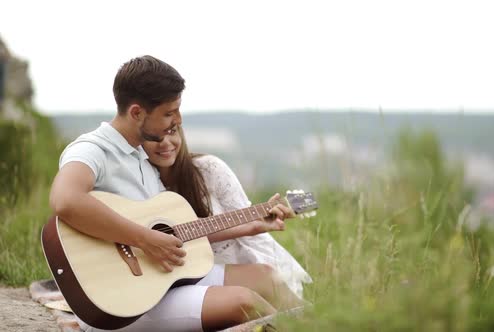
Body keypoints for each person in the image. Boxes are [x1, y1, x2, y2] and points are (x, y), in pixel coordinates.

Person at [49, 55, 305, 332]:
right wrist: (145, 239)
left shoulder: (141, 157)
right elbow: (65, 200)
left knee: (267, 279)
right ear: (137, 113)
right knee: (243, 301)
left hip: (160, 280)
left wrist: (249, 225)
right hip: (121, 303)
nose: (178, 119)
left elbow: (172, 234)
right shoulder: (92, 149)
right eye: (170, 113)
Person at [142, 124, 312, 298]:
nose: (165, 143)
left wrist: (256, 225)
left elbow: (246, 223)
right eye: (153, 137)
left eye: (171, 132)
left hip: (241, 266)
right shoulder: (139, 183)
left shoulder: (208, 169)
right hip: (183, 278)